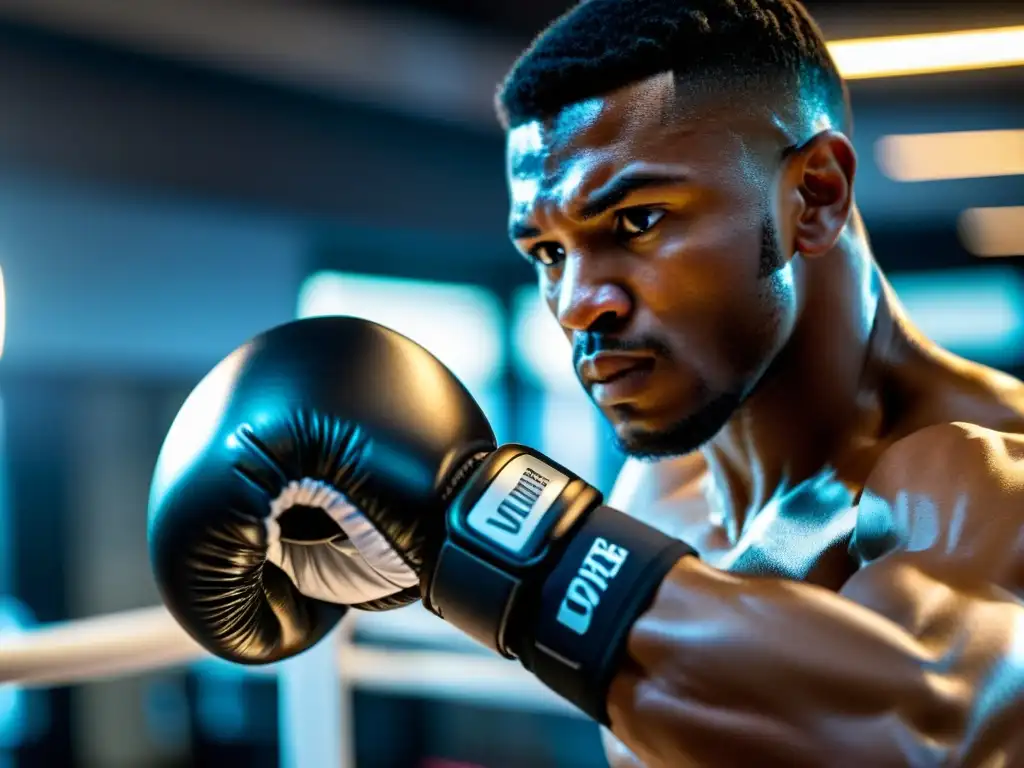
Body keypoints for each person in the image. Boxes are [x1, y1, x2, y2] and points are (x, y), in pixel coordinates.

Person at [148, 1, 1024, 766]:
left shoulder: (985, 474)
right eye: (548, 252)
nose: (574, 304)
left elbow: (928, 734)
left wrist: (488, 524)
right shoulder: (660, 487)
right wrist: (445, 560)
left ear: (817, 196)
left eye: (636, 220)